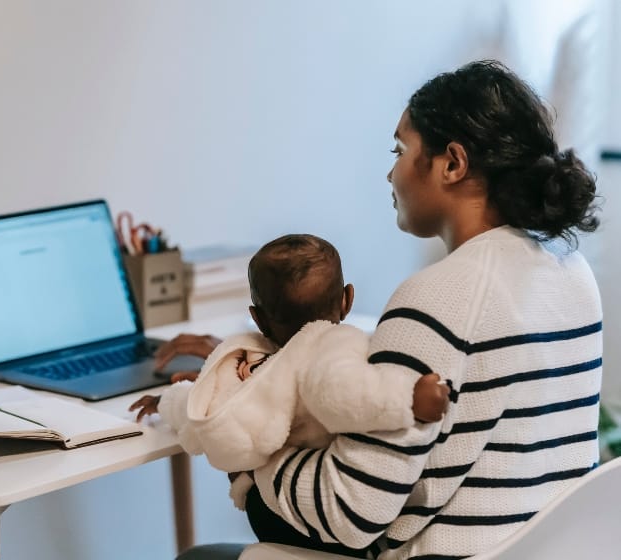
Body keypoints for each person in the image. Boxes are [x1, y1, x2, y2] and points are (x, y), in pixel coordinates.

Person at [170, 60, 603, 560]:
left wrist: (245, 444)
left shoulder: (437, 296)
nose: (391, 172)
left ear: (452, 164)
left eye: (400, 150)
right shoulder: (570, 271)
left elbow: (350, 513)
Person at [130, 234, 449, 510]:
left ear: (257, 319)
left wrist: (165, 401)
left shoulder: (256, 373)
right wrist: (410, 398)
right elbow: (354, 395)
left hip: (279, 510)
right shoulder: (335, 352)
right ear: (347, 300)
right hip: (308, 505)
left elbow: (199, 411)